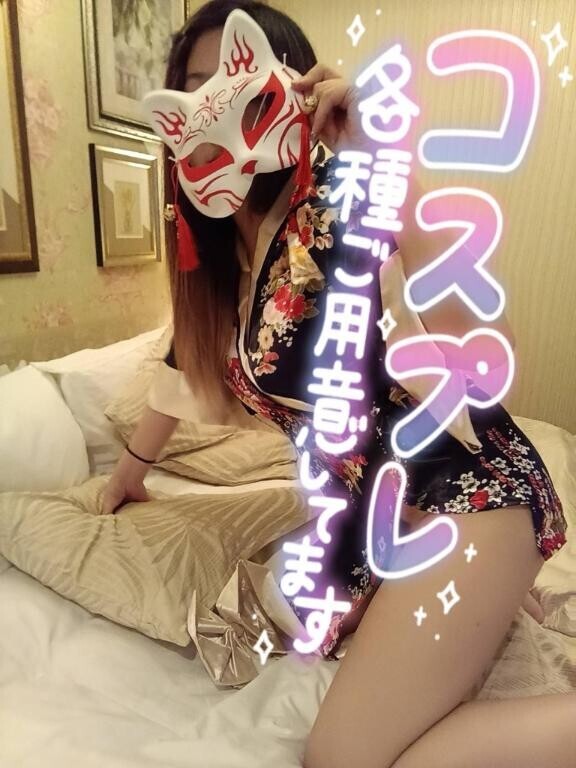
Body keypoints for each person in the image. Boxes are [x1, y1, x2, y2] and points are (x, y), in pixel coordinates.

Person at [102, 2, 574, 766]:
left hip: (470, 496)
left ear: (289, 82)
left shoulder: (339, 201)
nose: (214, 106)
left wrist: (388, 169)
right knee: (261, 624)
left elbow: (485, 359)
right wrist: (128, 473)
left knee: (342, 757)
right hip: (372, 525)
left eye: (233, 79)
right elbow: (183, 364)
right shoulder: (222, 269)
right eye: (193, 87)